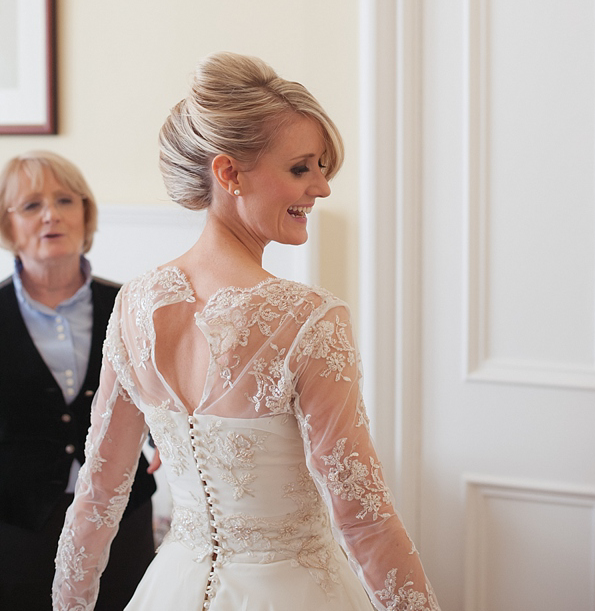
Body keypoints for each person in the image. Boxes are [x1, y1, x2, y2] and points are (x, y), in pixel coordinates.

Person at [53, 53, 440, 611]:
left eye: (323, 167)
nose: (323, 188)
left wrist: (70, 603)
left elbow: (97, 496)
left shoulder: (131, 306)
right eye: (302, 168)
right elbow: (363, 516)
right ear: (229, 173)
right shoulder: (308, 319)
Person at [0, 151, 157, 610]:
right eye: (31, 205)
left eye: (65, 200)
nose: (51, 215)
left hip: (122, 518)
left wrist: (179, 434)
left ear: (85, 213)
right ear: (8, 226)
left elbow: (177, 389)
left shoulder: (133, 305)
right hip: (18, 525)